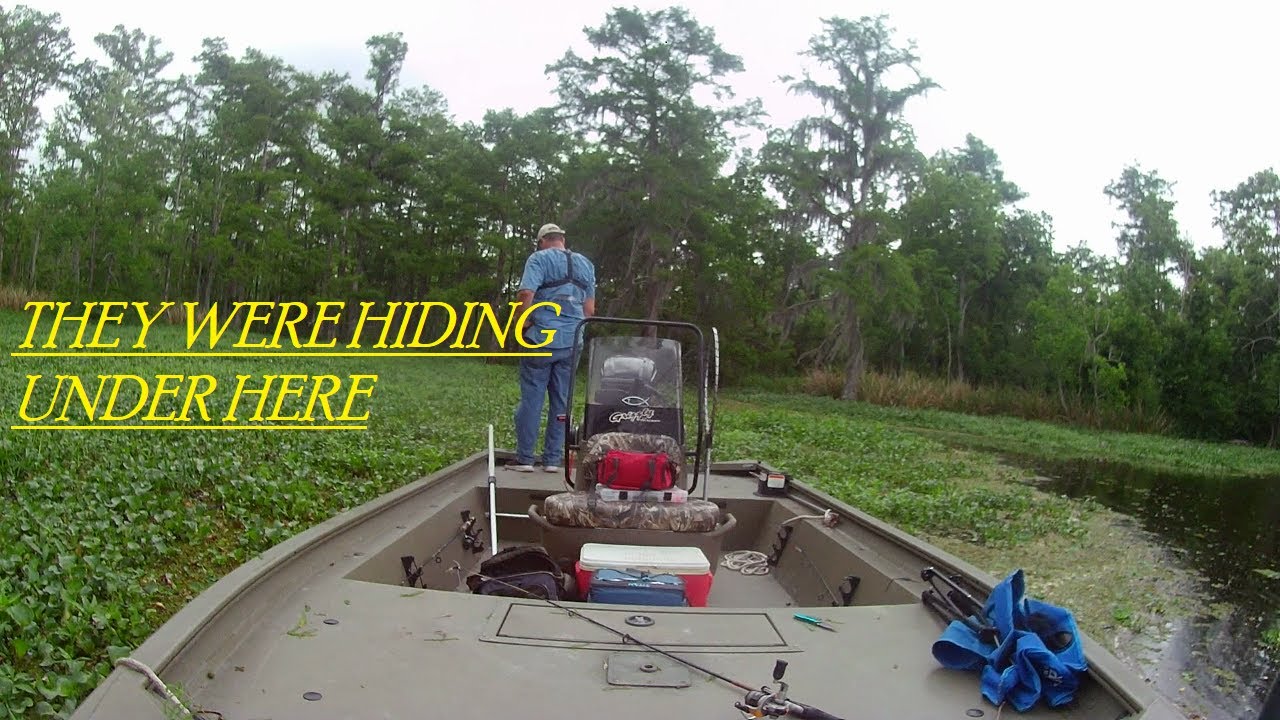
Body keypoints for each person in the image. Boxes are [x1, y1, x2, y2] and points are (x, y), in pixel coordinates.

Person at [509, 223, 596, 472]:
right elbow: (589, 310)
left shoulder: (539, 259)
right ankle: (552, 461)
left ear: (542, 241)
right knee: (561, 402)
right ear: (562, 240)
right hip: (572, 341)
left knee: (532, 398)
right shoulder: (586, 264)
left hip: (542, 339)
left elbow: (526, 294)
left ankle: (525, 459)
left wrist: (522, 324)